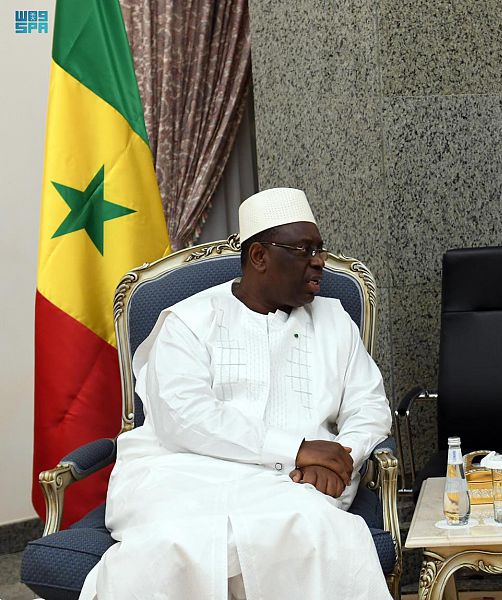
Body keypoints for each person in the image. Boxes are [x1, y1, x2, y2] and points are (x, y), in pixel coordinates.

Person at [80, 188, 394, 599]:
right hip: (185, 472)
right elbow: (185, 418)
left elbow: (369, 407)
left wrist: (341, 458)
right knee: (173, 543)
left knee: (308, 530)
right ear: (259, 257)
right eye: (303, 249)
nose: (318, 261)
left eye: (319, 248)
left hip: (295, 483)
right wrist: (298, 449)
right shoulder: (189, 321)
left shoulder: (335, 321)